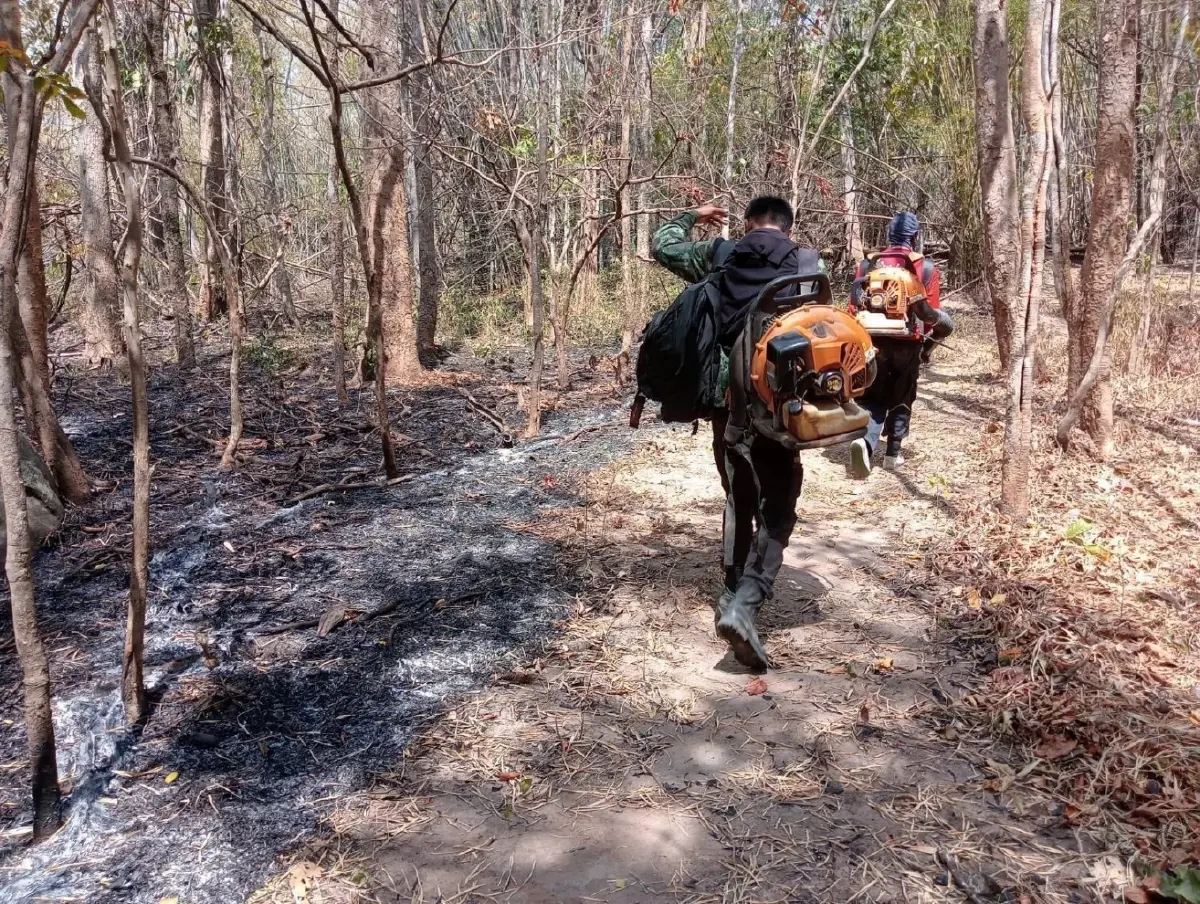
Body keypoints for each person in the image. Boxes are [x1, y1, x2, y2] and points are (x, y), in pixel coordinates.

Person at [652, 196, 824, 671]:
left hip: (729, 403)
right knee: (780, 501)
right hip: (781, 405)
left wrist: (692, 218)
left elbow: (663, 245)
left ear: (748, 224)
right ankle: (745, 601)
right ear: (790, 228)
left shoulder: (718, 253)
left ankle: (732, 586)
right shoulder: (811, 264)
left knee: (737, 494)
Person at [847, 211, 954, 478]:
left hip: (870, 341)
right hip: (907, 344)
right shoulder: (925, 268)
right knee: (902, 395)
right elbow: (931, 316)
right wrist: (926, 346)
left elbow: (852, 308)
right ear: (915, 237)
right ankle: (893, 454)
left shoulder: (865, 265)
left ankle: (866, 443)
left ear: (888, 235)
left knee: (870, 396)